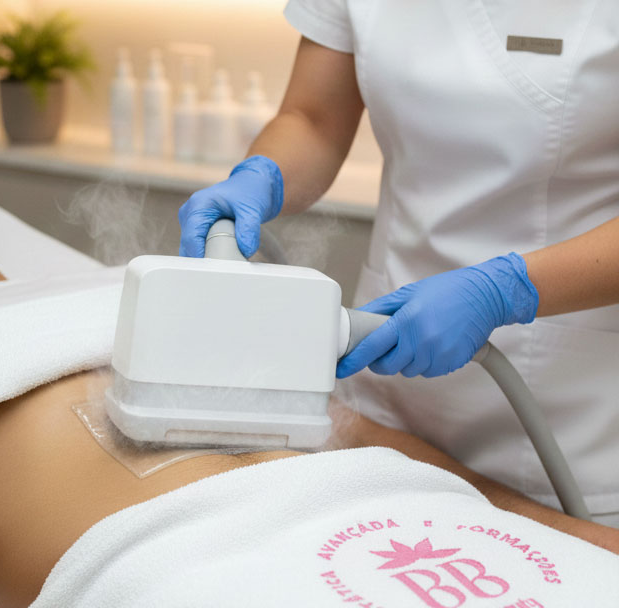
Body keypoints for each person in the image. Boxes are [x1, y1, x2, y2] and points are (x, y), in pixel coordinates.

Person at [0, 75, 619, 608]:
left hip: (410, 521)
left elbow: (358, 432)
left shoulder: (127, 283)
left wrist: (570, 537)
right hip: (188, 573)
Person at [179, 1, 619, 528]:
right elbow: (313, 119)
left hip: (566, 412)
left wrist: (506, 290)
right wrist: (262, 175)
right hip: (387, 394)